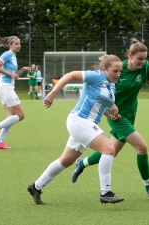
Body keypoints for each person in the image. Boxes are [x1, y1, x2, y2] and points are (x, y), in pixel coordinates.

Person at [71, 38, 149, 197]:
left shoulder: (146, 67)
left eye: (144, 58)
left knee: (111, 152)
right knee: (142, 147)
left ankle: (81, 163)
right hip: (116, 117)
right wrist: (107, 111)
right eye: (140, 58)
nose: (143, 62)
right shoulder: (117, 70)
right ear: (130, 55)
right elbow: (99, 93)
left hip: (131, 114)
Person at [27, 54, 124, 205]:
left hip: (87, 125)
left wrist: (110, 117)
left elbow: (99, 103)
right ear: (104, 69)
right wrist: (53, 93)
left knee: (65, 161)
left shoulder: (111, 84)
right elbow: (70, 75)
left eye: (120, 71)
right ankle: (106, 192)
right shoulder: (96, 77)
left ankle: (36, 187)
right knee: (109, 149)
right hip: (79, 120)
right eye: (115, 71)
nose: (118, 74)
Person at [0, 33, 31, 149]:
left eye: (19, 43)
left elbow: (14, 76)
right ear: (10, 44)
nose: (19, 46)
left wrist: (22, 70)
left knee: (11, 117)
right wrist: (10, 73)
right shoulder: (7, 54)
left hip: (4, 87)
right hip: (5, 87)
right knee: (20, 115)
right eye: (16, 44)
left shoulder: (13, 56)